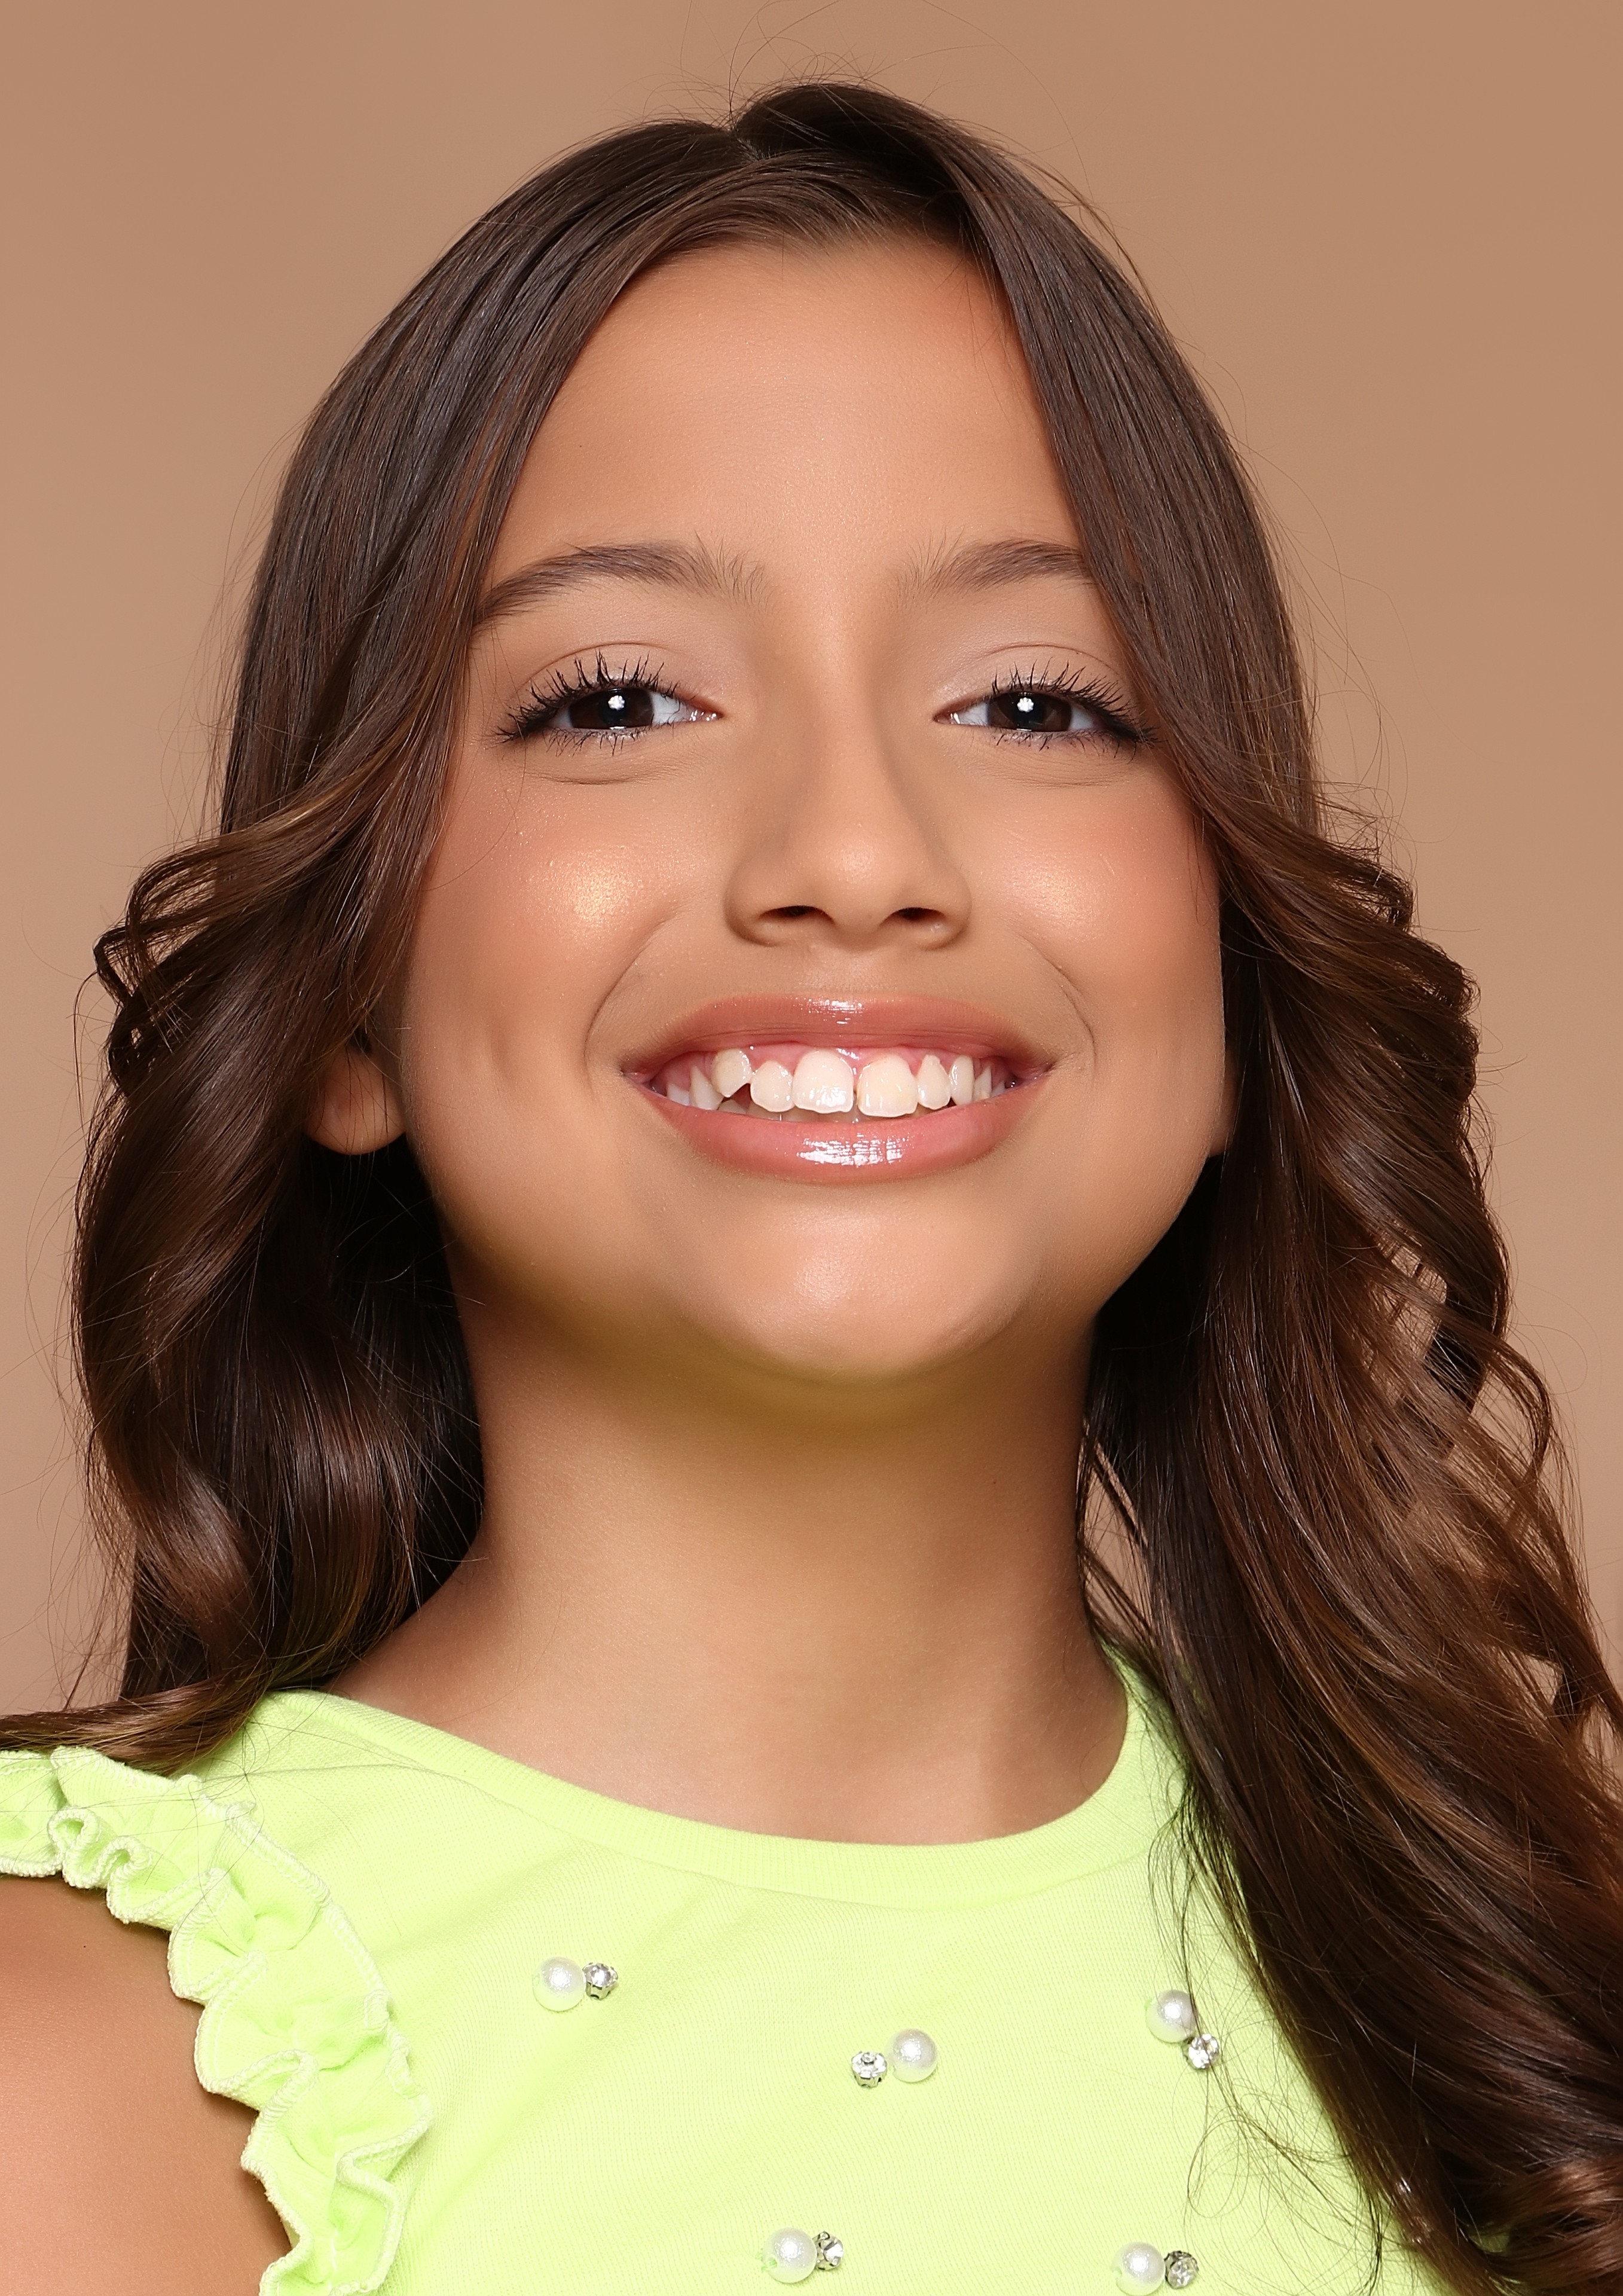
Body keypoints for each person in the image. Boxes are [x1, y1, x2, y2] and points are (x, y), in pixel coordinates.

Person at [1, 79, 1618, 2296]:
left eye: (1035, 706)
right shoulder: (72, 2054)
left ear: (1235, 976)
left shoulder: (1536, 2029)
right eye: (617, 699)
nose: (852, 859)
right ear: (347, 1008)